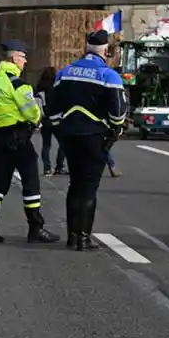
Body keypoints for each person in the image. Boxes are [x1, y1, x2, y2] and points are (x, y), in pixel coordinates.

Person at [48, 29, 127, 251]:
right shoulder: (108, 75)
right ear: (105, 50)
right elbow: (118, 111)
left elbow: (52, 105)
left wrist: (57, 127)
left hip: (69, 136)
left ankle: (72, 236)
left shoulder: (65, 72)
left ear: (86, 48)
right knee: (89, 187)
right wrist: (115, 128)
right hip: (95, 136)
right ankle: (83, 237)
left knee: (74, 184)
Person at [0, 40, 60, 245]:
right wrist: (37, 120)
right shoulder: (18, 84)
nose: (25, 62)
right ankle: (36, 228)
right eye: (23, 58)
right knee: (31, 183)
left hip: (0, 136)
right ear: (14, 58)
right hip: (20, 138)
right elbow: (32, 111)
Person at [34, 66, 66, 176]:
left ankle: (47, 168)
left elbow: (37, 105)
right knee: (63, 144)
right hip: (57, 119)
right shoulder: (58, 87)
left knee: (46, 145)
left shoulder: (39, 88)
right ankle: (59, 166)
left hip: (45, 119)